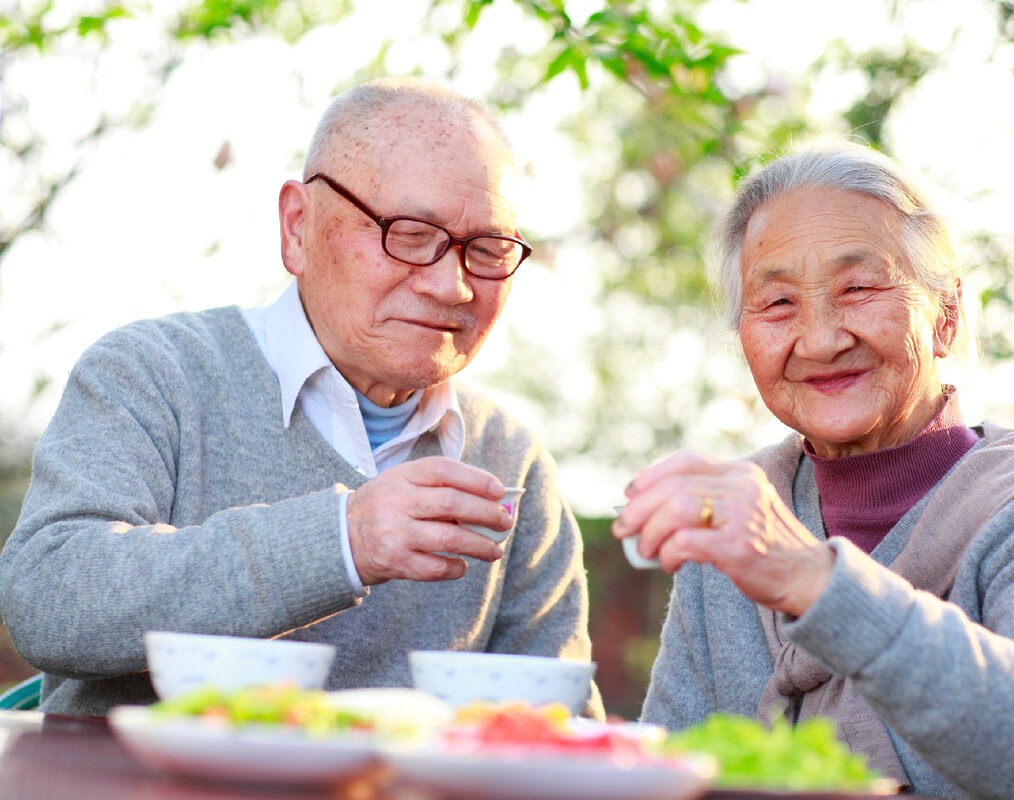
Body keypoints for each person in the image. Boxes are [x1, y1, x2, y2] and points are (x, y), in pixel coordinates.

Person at [0, 77, 601, 718]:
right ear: (298, 226)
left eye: (485, 250)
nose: (452, 286)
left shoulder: (508, 457)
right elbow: (50, 598)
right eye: (410, 233)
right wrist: (344, 539)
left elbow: (552, 727)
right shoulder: (153, 373)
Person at [613, 143, 1014, 798]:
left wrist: (814, 580)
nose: (820, 340)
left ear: (945, 316)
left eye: (859, 289)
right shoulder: (730, 522)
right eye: (778, 303)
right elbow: (667, 769)